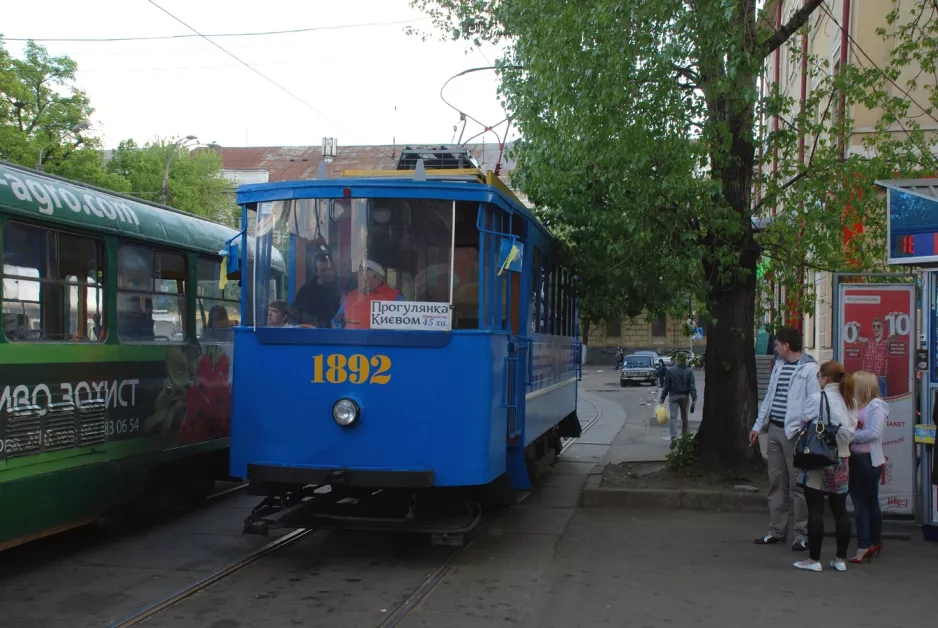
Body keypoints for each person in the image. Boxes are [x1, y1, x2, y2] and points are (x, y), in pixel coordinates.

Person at [750, 326, 818, 552]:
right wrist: (758, 425)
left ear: (787, 345)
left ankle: (801, 534)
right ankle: (777, 531)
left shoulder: (809, 369)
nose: (775, 347)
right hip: (775, 431)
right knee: (776, 482)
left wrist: (802, 428)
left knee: (798, 484)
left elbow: (813, 403)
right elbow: (770, 396)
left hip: (795, 434)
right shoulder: (778, 366)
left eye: (777, 344)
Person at [793, 361, 857, 572]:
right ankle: (840, 559)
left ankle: (813, 559)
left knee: (816, 510)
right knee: (840, 511)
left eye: (819, 376)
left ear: (826, 379)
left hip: (818, 459)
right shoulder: (850, 400)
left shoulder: (817, 398)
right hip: (842, 459)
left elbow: (804, 420)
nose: (818, 379)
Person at [848, 371, 887, 564]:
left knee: (862, 503)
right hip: (859, 458)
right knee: (869, 502)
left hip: (866, 458)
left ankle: (865, 545)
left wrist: (849, 435)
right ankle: (873, 542)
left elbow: (873, 433)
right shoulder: (857, 404)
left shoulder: (876, 406)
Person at [333, 260, 403, 329]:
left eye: (361, 276)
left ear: (375, 277)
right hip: (351, 339)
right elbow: (336, 321)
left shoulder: (394, 297)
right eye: (358, 276)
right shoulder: (351, 296)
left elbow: (402, 325)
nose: (358, 279)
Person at [293, 253, 340, 328]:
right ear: (316, 272)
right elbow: (298, 314)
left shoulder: (339, 287)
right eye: (323, 270)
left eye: (330, 269)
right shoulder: (306, 291)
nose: (328, 273)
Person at [659, 352, 697, 443]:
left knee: (673, 417)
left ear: (677, 359)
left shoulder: (670, 370)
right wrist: (694, 398)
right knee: (685, 417)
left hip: (673, 396)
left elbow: (666, 386)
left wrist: (662, 398)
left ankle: (673, 437)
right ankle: (685, 436)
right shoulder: (689, 371)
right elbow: (692, 386)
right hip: (684, 396)